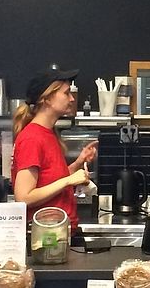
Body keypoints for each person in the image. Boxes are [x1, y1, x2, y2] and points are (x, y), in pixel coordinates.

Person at [11, 68, 98, 229]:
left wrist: (78, 163)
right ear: (47, 99)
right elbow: (23, 197)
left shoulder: (49, 134)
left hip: (59, 232)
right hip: (47, 236)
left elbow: (50, 181)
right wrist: (68, 181)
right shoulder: (32, 138)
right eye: (66, 93)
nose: (72, 98)